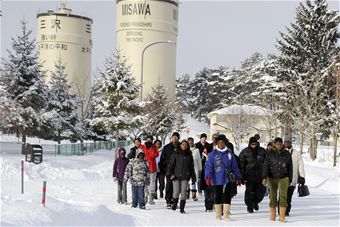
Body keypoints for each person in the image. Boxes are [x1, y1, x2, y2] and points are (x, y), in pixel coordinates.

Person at [205, 134, 241, 221]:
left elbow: (235, 166)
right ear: (216, 143)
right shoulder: (212, 154)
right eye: (219, 142)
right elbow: (209, 166)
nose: (220, 144)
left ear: (225, 143)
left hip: (228, 178)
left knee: (227, 195)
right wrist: (208, 177)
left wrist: (238, 177)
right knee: (218, 195)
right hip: (216, 178)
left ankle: (226, 214)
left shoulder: (229, 154)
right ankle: (218, 214)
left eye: (222, 142)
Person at [262, 137, 293, 222]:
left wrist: (290, 179)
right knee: (272, 196)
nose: (279, 145)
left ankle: (282, 216)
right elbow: (266, 166)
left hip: (284, 177)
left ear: (282, 144)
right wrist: (264, 177)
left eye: (280, 144)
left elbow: (290, 167)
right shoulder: (269, 153)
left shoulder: (287, 153)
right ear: (274, 144)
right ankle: (273, 215)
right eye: (277, 144)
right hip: (272, 177)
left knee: (283, 196)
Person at [239, 137, 267, 213]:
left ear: (257, 143)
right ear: (249, 144)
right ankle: (249, 206)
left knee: (260, 192)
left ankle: (255, 202)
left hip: (260, 175)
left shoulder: (262, 151)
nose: (253, 145)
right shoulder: (244, 152)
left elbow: (267, 163)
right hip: (249, 176)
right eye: (252, 144)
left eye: (255, 144)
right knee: (249, 192)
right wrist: (242, 176)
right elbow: (241, 165)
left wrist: (266, 175)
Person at [167, 140, 196, 213]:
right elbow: (171, 165)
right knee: (176, 192)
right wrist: (170, 174)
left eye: (186, 145)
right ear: (180, 145)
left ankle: (182, 208)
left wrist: (193, 177)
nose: (184, 146)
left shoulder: (189, 155)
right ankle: (175, 203)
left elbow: (192, 167)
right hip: (176, 176)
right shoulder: (175, 154)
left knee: (183, 192)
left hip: (185, 176)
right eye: (183, 144)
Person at [279, 139, 305, 216]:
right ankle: (280, 210)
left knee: (289, 197)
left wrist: (302, 176)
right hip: (281, 178)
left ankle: (286, 211)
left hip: (292, 179)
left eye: (288, 142)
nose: (287, 143)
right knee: (281, 195)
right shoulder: (280, 152)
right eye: (285, 142)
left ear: (291, 143)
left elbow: (301, 165)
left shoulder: (296, 153)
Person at [160, 132, 180, 208]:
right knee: (169, 185)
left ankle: (174, 201)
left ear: (178, 138)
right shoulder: (167, 147)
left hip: (178, 169)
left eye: (176, 137)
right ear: (171, 138)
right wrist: (163, 169)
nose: (175, 138)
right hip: (168, 169)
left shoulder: (181, 146)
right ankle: (168, 201)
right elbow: (162, 159)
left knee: (176, 186)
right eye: (173, 137)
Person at [144, 135, 159, 205]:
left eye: (150, 140)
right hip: (144, 167)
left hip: (153, 167)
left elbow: (156, 155)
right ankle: (145, 197)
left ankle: (151, 199)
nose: (149, 141)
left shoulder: (154, 147)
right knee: (145, 183)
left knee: (152, 183)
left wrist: (150, 153)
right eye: (148, 139)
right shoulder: (143, 147)